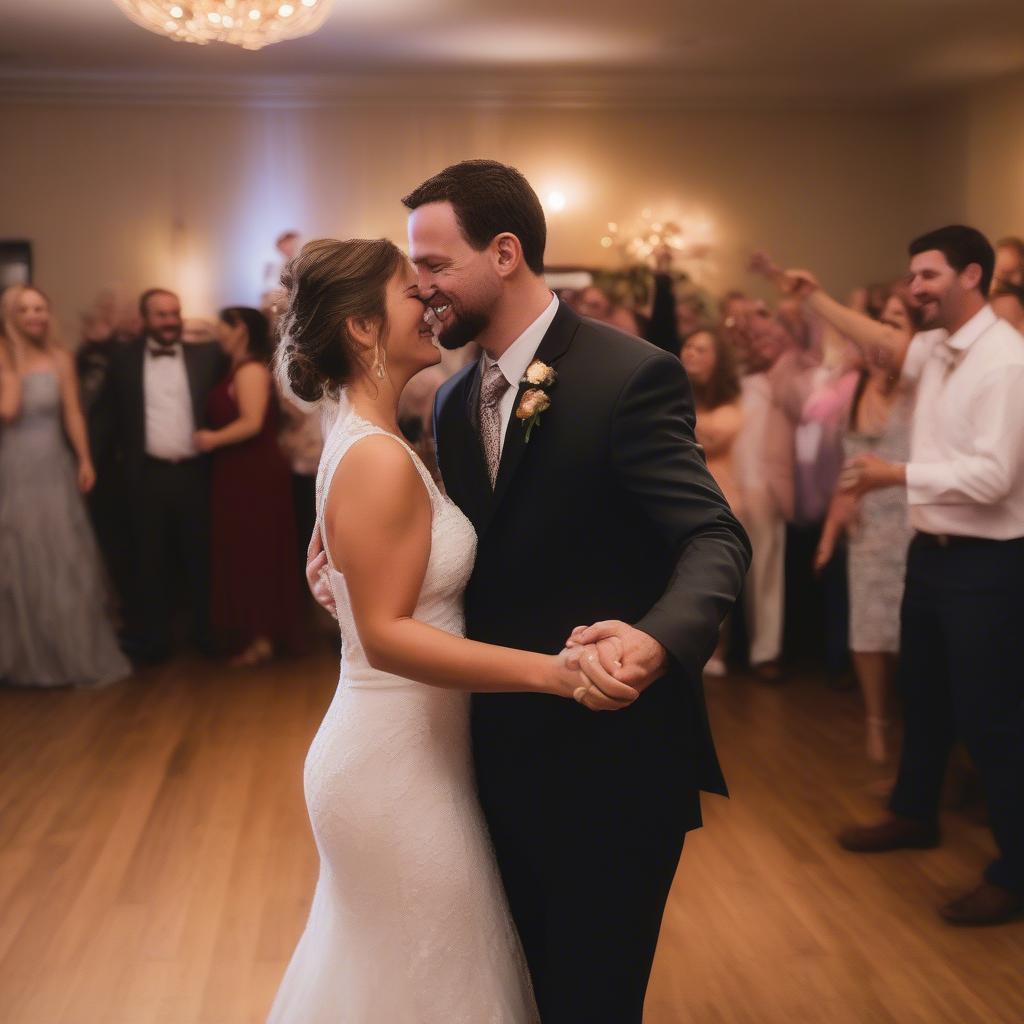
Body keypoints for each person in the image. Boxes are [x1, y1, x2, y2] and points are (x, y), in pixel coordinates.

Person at [305, 160, 750, 1022]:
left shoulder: (631, 375)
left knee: (593, 1001)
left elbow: (713, 535)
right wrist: (346, 549)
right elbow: (462, 548)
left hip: (610, 760)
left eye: (433, 266)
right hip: (484, 760)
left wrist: (655, 641)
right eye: (413, 274)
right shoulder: (449, 399)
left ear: (504, 253)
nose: (424, 289)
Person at [268, 237, 636, 1024]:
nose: (431, 303)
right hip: (392, 769)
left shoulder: (377, 442)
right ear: (363, 329)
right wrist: (555, 673)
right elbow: (391, 637)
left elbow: (383, 597)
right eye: (411, 292)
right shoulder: (376, 458)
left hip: (416, 756)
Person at [782, 225, 1024, 926]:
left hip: (988, 563)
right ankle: (914, 813)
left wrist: (898, 474)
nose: (915, 288)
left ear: (972, 275)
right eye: (911, 277)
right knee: (925, 695)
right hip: (933, 554)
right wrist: (815, 298)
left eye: (929, 276)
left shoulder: (1004, 362)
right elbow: (885, 344)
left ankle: (1015, 870)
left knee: (992, 720)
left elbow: (996, 475)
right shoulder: (943, 350)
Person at [0, 285, 131, 688]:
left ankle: (66, 656)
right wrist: (13, 361)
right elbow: (8, 411)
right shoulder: (4, 357)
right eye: (25, 310)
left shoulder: (60, 357)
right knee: (16, 552)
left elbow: (73, 412)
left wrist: (85, 458)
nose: (36, 316)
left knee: (61, 555)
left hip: (52, 465)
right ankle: (20, 660)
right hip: (12, 466)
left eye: (41, 308)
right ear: (11, 316)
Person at [810, 291, 918, 765]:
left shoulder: (921, 386)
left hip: (917, 520)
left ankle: (922, 734)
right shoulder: (855, 388)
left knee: (913, 638)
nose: (884, 335)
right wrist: (830, 534)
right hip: (869, 529)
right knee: (869, 633)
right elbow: (847, 470)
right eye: (882, 322)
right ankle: (878, 725)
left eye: (897, 323)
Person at [92, 289, 227, 663]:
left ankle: (205, 634)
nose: (170, 321)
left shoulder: (208, 356)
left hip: (196, 473)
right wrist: (88, 462)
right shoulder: (120, 359)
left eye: (175, 313)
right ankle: (155, 641)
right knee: (149, 560)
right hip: (145, 475)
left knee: (201, 557)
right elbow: (103, 417)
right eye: (161, 315)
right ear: (144, 319)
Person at [195, 307, 302, 666]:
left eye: (222, 328)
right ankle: (254, 634)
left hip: (253, 470)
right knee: (242, 549)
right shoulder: (238, 368)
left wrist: (211, 438)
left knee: (255, 550)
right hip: (237, 470)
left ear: (239, 329)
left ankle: (262, 637)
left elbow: (252, 422)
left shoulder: (252, 370)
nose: (217, 335)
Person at [681, 327, 744, 677]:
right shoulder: (675, 393)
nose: (692, 353)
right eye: (689, 346)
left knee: (711, 579)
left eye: (702, 349)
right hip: (681, 499)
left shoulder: (731, 405)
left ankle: (717, 649)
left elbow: (713, 437)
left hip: (722, 499)